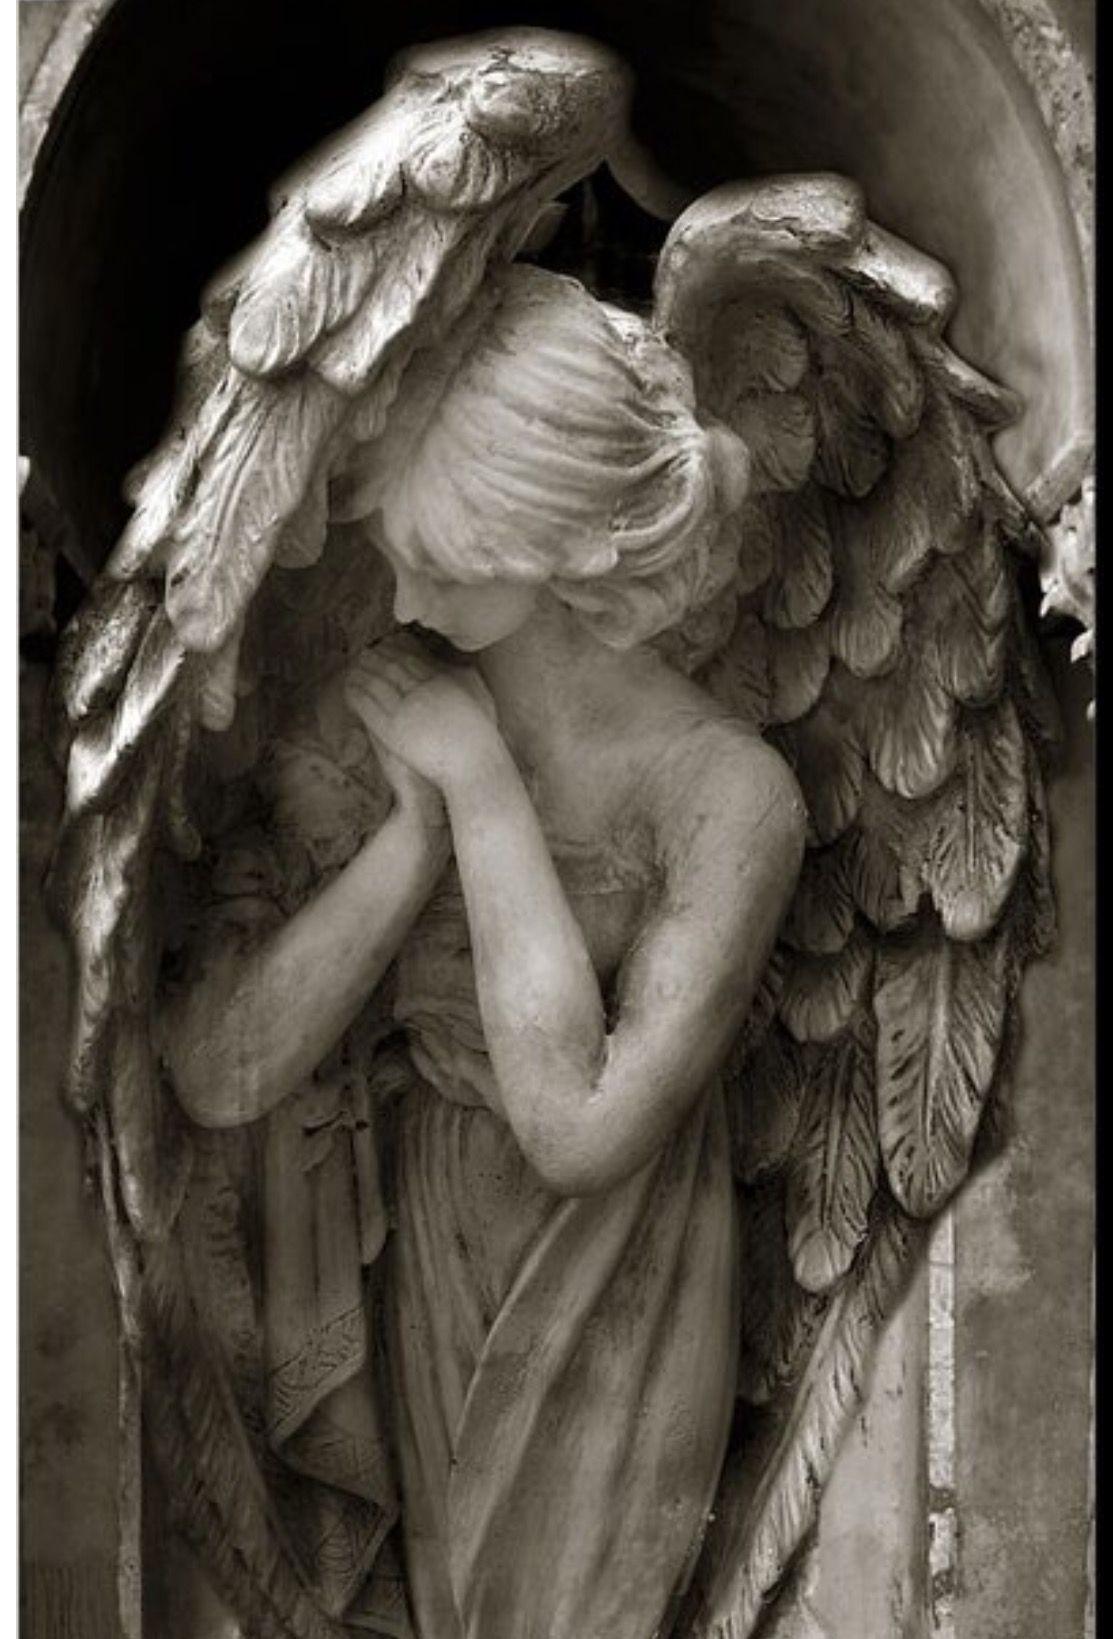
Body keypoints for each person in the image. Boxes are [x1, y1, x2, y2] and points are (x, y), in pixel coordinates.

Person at [162, 263, 806, 1639]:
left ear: (563, 549)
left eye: (443, 566)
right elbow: (216, 1073)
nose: (397, 592)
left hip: (616, 1281)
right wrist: (410, 840)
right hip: (428, 1250)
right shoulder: (384, 709)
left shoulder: (724, 794)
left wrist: (481, 789)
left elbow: (577, 1129)